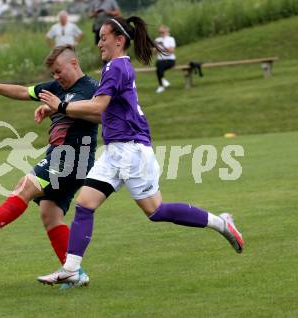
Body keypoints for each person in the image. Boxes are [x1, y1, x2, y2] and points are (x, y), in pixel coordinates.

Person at [37, 16, 245, 285]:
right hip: (116, 150)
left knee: (156, 211)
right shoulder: (115, 67)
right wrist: (57, 107)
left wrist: (61, 107)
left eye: (103, 37)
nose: (99, 42)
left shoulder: (116, 68)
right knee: (85, 205)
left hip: (131, 150)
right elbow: (96, 104)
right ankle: (72, 269)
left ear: (119, 40)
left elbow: (98, 107)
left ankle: (221, 222)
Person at [0, 45, 100, 287]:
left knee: (25, 185)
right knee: (50, 212)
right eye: (53, 73)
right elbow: (22, 91)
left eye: (59, 71)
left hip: (71, 158)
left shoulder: (90, 88)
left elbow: (99, 115)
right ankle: (74, 273)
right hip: (64, 158)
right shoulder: (56, 88)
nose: (56, 77)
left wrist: (58, 107)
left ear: (74, 63)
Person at [155, 25, 176, 93]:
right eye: (160, 32)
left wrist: (163, 45)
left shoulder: (171, 39)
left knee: (158, 65)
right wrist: (155, 49)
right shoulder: (157, 40)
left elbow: (172, 51)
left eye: (163, 32)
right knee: (159, 65)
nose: (161, 33)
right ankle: (163, 82)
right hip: (160, 61)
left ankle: (161, 85)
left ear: (167, 32)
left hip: (170, 60)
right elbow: (154, 52)